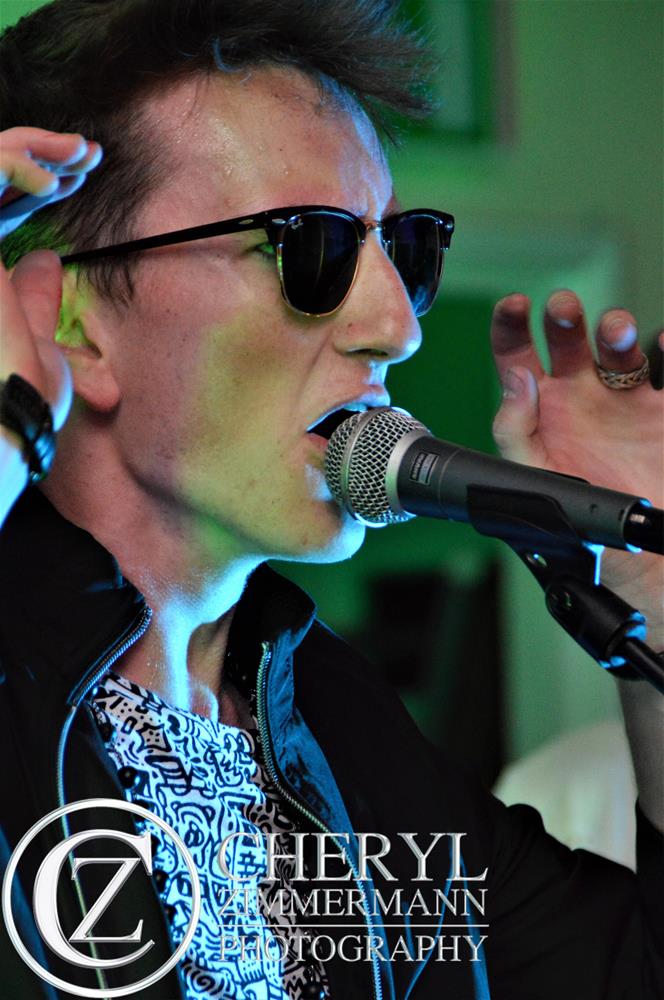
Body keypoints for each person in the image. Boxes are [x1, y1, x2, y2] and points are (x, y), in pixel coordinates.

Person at [0, 2, 661, 998]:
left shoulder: (352, 735)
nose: (397, 325)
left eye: (403, 248)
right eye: (307, 245)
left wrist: (652, 596)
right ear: (72, 320)